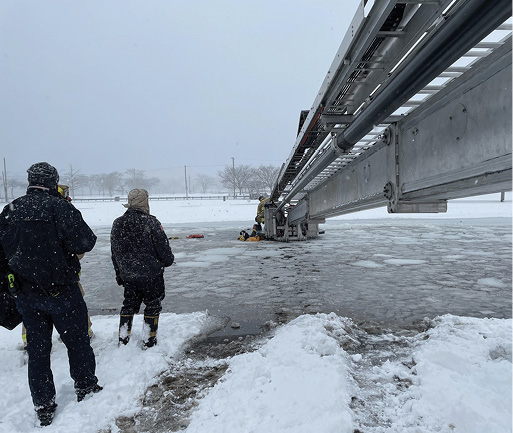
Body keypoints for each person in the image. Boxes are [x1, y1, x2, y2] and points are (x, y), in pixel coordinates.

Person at [0, 162, 102, 427]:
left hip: (27, 294)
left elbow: (2, 253)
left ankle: (43, 404)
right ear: (54, 182)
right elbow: (85, 242)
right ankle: (85, 385)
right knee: (77, 342)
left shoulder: (10, 210)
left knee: (38, 351)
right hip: (62, 290)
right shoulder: (59, 207)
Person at [20, 184, 94, 349]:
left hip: (33, 277)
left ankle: (29, 340)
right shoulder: (62, 211)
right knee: (74, 304)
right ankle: (83, 332)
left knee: (33, 309)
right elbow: (82, 244)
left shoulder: (29, 212)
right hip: (63, 277)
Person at [110, 188, 174, 348]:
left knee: (129, 303)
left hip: (128, 275)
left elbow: (114, 252)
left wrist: (120, 273)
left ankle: (123, 338)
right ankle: (149, 340)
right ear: (145, 202)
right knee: (152, 304)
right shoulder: (151, 223)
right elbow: (164, 250)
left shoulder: (118, 223)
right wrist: (167, 261)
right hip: (151, 275)